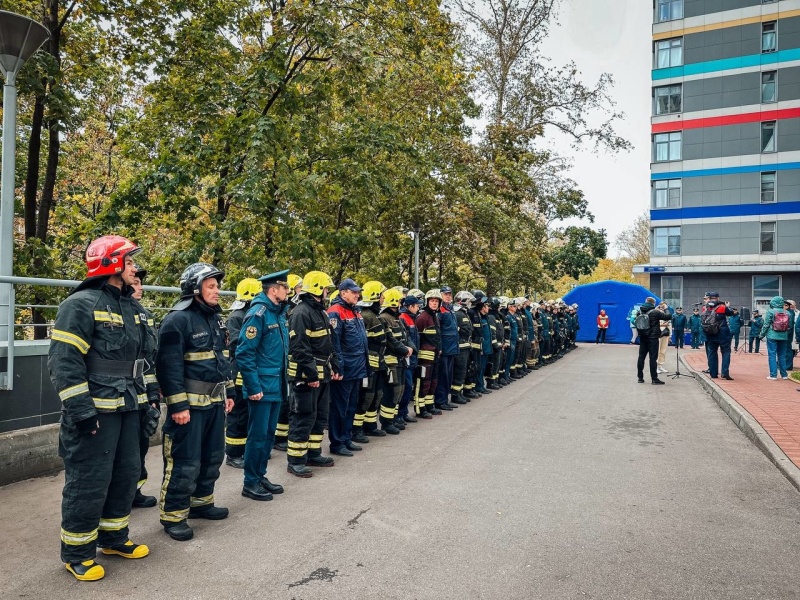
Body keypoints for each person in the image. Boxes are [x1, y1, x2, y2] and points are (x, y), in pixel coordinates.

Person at [49, 235, 153, 581]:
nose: (135, 268)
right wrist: (81, 412)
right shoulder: (79, 304)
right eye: (130, 262)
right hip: (96, 412)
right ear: (112, 265)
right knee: (89, 481)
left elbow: (144, 360)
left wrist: (149, 401)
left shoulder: (132, 306)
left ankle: (114, 538)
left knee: (126, 476)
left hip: (129, 407)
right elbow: (65, 363)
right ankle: (77, 552)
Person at [156, 263, 235, 542]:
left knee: (213, 456)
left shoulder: (215, 318)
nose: (217, 291)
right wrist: (178, 407)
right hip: (188, 408)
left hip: (214, 403)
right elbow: (168, 367)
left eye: (217, 285)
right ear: (195, 289)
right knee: (184, 461)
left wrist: (230, 393)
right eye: (211, 286)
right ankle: (174, 515)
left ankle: (201, 502)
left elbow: (223, 361)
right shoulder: (177, 320)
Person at [236, 270, 290, 499]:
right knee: (257, 436)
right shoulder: (258, 314)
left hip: (276, 385)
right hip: (262, 388)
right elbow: (244, 353)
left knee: (268, 435)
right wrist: (254, 387)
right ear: (273, 289)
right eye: (284, 287)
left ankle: (260, 475)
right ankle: (250, 482)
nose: (287, 291)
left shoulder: (277, 313)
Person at [286, 271, 340, 477]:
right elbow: (299, 348)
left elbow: (329, 342)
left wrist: (334, 366)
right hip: (306, 376)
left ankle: (313, 453)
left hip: (322, 374)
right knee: (303, 417)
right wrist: (311, 375)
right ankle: (296, 460)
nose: (327, 292)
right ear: (318, 289)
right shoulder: (301, 313)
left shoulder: (321, 312)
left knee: (319, 416)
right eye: (326, 288)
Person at [130, 265, 161, 509]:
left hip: (141, 392)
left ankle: (135, 490)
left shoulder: (145, 315)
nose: (141, 288)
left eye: (141, 283)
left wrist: (153, 394)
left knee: (140, 445)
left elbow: (150, 361)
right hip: (120, 394)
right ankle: (121, 494)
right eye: (136, 283)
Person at [327, 278, 369, 456]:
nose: (357, 295)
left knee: (351, 406)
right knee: (339, 407)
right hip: (345, 369)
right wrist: (338, 368)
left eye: (357, 292)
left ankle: (346, 438)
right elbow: (334, 344)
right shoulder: (335, 312)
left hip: (357, 367)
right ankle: (336, 443)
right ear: (343, 292)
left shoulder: (355, 311)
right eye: (353, 292)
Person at [224, 278, 262, 469]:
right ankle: (233, 454)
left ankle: (245, 449)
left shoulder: (251, 314)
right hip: (239, 371)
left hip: (250, 370)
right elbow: (237, 344)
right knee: (238, 413)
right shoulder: (236, 317)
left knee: (248, 413)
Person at [273, 273, 303, 452]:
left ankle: (282, 434)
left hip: (289, 362)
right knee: (284, 401)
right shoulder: (288, 311)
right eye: (297, 287)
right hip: (286, 362)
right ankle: (279, 437)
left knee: (288, 400)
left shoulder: (291, 309)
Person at [377, 288, 414, 428]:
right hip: (391, 362)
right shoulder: (384, 318)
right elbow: (390, 340)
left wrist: (410, 348)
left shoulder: (397, 318)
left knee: (400, 391)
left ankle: (394, 418)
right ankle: (387, 422)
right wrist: (405, 350)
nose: (400, 304)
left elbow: (406, 337)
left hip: (401, 361)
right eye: (399, 301)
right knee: (392, 392)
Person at [413, 289, 443, 418]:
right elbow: (417, 339)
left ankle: (430, 405)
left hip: (434, 356)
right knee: (423, 383)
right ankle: (420, 409)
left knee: (433, 382)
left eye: (436, 301)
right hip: (424, 358)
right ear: (427, 302)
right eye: (432, 301)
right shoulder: (422, 318)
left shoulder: (434, 317)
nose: (434, 303)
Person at [636, 297, 670, 385]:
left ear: (646, 302)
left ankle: (640, 377)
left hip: (643, 336)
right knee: (653, 358)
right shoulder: (655, 312)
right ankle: (654, 379)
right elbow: (668, 316)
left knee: (641, 357)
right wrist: (666, 308)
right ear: (653, 304)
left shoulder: (640, 311)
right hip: (653, 337)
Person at [398, 295, 421, 422]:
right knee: (405, 387)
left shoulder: (411, 318)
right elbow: (406, 339)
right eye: (417, 306)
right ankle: (400, 414)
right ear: (410, 306)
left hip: (412, 359)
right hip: (406, 358)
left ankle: (404, 413)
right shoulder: (403, 318)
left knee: (408, 386)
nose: (418, 308)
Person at [435, 286, 459, 410]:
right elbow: (438, 331)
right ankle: (440, 401)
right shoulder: (440, 310)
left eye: (450, 294)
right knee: (443, 376)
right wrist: (440, 348)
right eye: (446, 294)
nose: (448, 296)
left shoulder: (450, 309)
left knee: (448, 376)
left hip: (452, 348)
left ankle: (445, 400)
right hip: (444, 349)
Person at [703, 292, 734, 380]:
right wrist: (728, 306)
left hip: (710, 333)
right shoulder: (722, 307)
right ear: (717, 298)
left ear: (709, 298)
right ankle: (724, 373)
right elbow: (731, 313)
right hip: (723, 333)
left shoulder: (705, 307)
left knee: (712, 353)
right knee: (726, 352)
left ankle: (713, 374)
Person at [760, 295, 790, 380]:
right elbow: (790, 325)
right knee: (782, 355)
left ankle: (773, 375)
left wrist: (761, 334)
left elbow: (766, 325)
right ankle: (784, 375)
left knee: (772, 355)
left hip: (772, 335)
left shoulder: (771, 312)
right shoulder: (787, 312)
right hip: (784, 336)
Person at [656, 302, 672, 374]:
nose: (662, 309)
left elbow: (670, 326)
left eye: (664, 307)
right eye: (661, 307)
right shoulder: (656, 314)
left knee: (663, 351)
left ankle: (660, 365)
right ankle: (655, 366)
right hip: (658, 335)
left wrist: (670, 336)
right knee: (657, 351)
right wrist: (662, 324)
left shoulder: (666, 315)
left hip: (665, 334)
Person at [785, 300, 796, 370]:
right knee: (787, 349)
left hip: (788, 334)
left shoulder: (790, 313)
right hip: (788, 333)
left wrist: (787, 333)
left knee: (788, 349)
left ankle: (788, 366)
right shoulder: (790, 312)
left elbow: (790, 325)